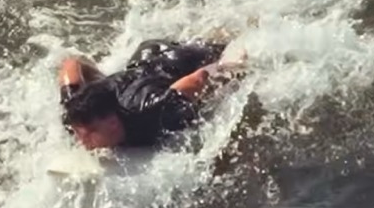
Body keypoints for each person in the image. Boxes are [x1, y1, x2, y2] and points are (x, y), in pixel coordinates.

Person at [58, 39, 246, 150]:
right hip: (142, 57)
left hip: (176, 59)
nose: (81, 142)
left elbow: (197, 80)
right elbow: (71, 64)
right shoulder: (76, 112)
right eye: (78, 133)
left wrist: (234, 68)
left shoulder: (149, 111)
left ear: (113, 124)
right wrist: (98, 81)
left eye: (89, 135)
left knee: (227, 48)